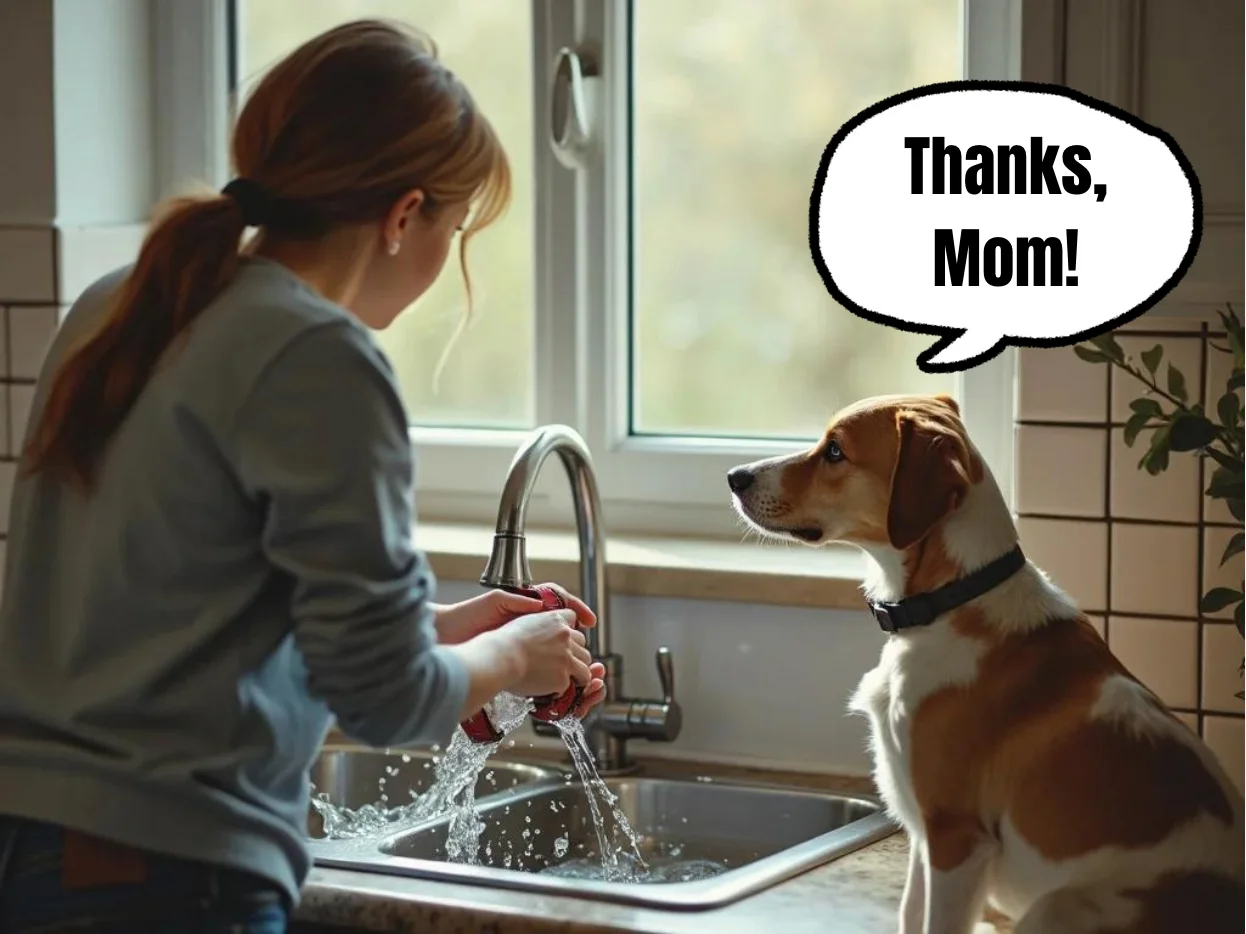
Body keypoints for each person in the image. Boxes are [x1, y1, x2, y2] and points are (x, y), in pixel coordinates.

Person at [0, 19, 607, 933]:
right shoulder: (317, 355)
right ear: (405, 217)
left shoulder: (118, 303)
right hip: (170, 874)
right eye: (455, 227)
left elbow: (192, 614)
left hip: (36, 842)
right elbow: (389, 701)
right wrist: (514, 659)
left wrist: (445, 628)